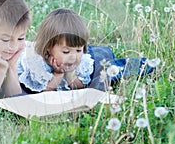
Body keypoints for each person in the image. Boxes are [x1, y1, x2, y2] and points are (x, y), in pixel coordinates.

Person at [18, 8, 156, 94]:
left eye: (78, 50)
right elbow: (44, 91)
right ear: (48, 48)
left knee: (99, 58)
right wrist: (58, 74)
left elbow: (80, 85)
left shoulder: (80, 61)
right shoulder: (37, 64)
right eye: (66, 52)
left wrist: (70, 74)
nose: (73, 58)